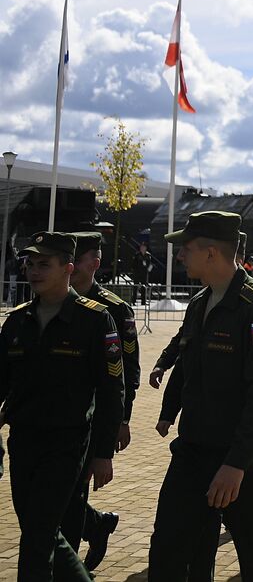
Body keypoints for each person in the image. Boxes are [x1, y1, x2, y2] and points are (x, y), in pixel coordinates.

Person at [148, 211, 253, 581]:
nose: (180, 256)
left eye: (186, 249)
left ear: (211, 253)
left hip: (243, 459)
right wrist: (169, 410)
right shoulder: (199, 303)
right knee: (169, 552)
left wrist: (236, 464)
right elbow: (188, 361)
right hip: (193, 450)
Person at [1, 231, 124, 581]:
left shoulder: (95, 320)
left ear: (68, 268)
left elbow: (112, 388)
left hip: (67, 443)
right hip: (23, 441)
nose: (33, 271)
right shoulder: (18, 320)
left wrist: (103, 453)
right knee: (40, 531)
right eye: (30, 263)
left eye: (44, 264)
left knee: (38, 536)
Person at [62, 231, 136, 571]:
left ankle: (68, 562)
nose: (72, 266)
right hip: (56, 413)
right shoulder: (53, 300)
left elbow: (126, 372)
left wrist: (122, 419)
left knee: (70, 494)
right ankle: (96, 524)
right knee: (62, 494)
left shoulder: (114, 309)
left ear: (95, 262)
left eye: (79, 259)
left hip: (94, 418)